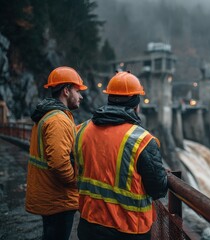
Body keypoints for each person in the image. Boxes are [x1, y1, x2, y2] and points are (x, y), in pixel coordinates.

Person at [74, 71, 168, 240]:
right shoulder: (142, 140)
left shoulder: (81, 130)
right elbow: (159, 188)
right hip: (129, 230)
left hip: (89, 224)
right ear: (135, 104)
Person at [25, 66, 87, 240]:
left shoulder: (49, 116)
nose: (81, 96)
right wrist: (75, 182)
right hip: (58, 199)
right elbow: (59, 163)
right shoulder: (58, 120)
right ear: (66, 91)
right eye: (77, 90)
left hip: (49, 195)